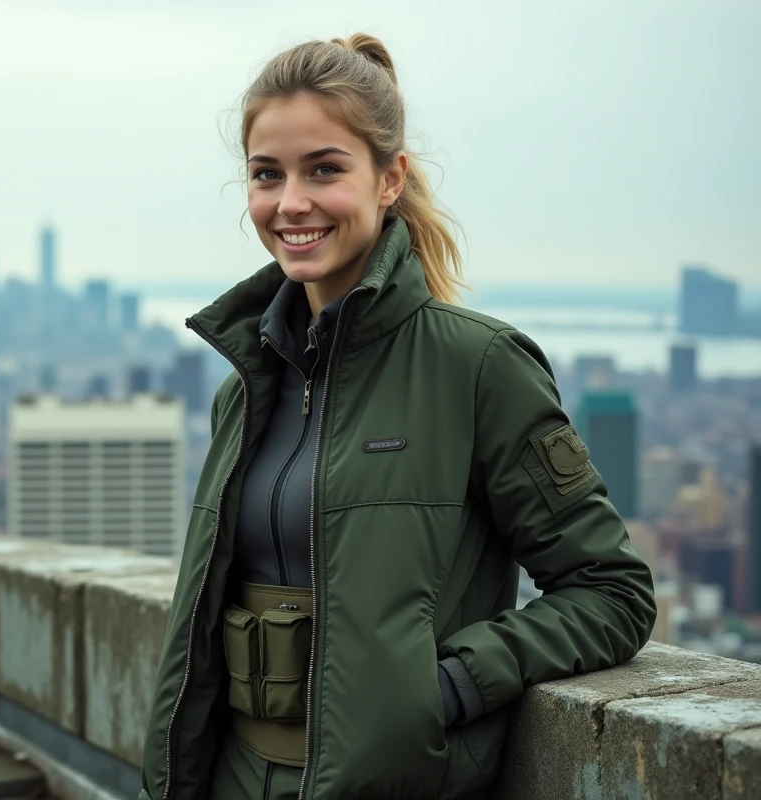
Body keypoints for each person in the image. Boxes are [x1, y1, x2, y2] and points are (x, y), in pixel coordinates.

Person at [137, 33, 656, 800]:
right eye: (267, 173)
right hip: (235, 780)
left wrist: (452, 684)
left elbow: (612, 590)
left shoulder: (477, 366)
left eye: (324, 169)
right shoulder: (245, 388)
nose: (291, 202)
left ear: (389, 180)